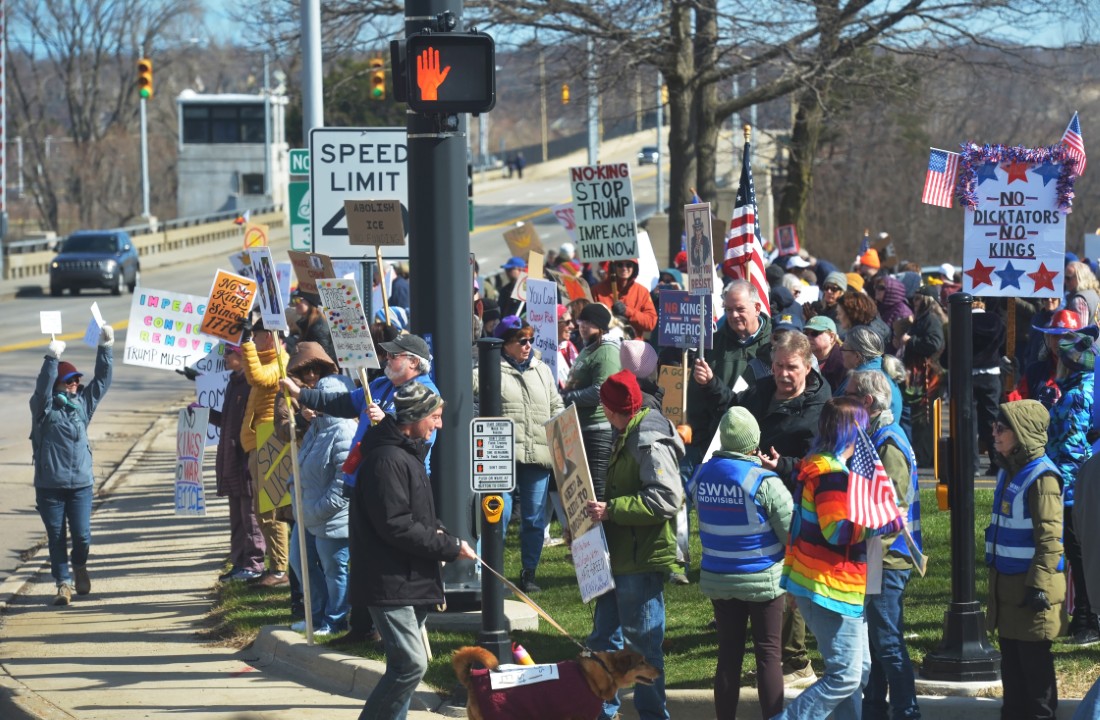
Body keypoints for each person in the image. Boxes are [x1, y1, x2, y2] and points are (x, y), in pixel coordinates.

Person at [774, 397, 904, 720]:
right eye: (864, 425)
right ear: (853, 431)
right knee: (845, 675)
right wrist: (883, 523)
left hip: (827, 584)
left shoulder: (821, 468)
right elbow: (837, 532)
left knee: (857, 670)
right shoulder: (831, 476)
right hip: (829, 587)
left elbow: (800, 528)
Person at [354, 382, 477, 720]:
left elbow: (416, 515)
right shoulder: (387, 460)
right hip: (389, 578)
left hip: (410, 576)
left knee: (404, 666)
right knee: (412, 663)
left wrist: (443, 534)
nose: (438, 425)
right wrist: (448, 546)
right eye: (435, 417)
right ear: (416, 417)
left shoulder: (406, 454)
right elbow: (395, 524)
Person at [584, 370, 684, 720]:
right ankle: (602, 710)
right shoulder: (627, 431)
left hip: (639, 562)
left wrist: (612, 510)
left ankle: (653, 715)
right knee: (602, 640)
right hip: (618, 556)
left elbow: (667, 498)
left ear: (612, 411)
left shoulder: (648, 439)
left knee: (642, 648)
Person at [735, 330, 829, 687]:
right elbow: (735, 408)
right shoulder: (762, 391)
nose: (782, 374)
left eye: (790, 368)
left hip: (797, 500)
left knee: (791, 579)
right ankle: (778, 660)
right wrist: (711, 385)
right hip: (760, 497)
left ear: (807, 366)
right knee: (774, 576)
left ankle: (796, 663)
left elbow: (819, 459)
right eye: (777, 366)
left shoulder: (820, 405)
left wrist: (784, 465)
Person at [688, 406, 792, 719]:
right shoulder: (763, 480)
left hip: (719, 577)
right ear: (753, 443)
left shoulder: (701, 475)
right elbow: (791, 531)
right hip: (764, 579)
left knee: (728, 656)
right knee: (769, 656)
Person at [844, 371, 922, 720]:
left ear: (867, 403)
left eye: (848, 396)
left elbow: (892, 508)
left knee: (888, 643)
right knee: (876, 643)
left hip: (888, 558)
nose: (842, 401)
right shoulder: (875, 435)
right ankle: (874, 708)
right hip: (877, 556)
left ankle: (906, 711)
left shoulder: (888, 443)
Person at [985, 400, 1065, 720]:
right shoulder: (1009, 471)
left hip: (1031, 594)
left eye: (1001, 428)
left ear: (1022, 434)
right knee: (1013, 678)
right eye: (994, 426)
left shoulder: (1042, 477)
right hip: (1008, 592)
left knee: (1036, 682)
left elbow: (1050, 540)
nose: (994, 432)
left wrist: (1038, 587)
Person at [475, 316, 564, 593]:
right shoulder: (488, 370)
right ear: (505, 344)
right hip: (502, 457)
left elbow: (556, 403)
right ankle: (489, 572)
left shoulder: (542, 370)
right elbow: (464, 388)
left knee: (535, 519)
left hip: (537, 456)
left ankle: (529, 573)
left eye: (530, 340)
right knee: (496, 515)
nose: (527, 346)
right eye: (521, 341)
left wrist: (561, 423)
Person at [30, 325, 114, 606]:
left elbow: (101, 381)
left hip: (80, 485)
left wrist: (106, 348)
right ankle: (63, 584)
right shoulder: (42, 408)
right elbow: (42, 390)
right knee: (56, 537)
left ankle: (79, 565)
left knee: (82, 536)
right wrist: (51, 359)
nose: (74, 384)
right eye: (68, 381)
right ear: (57, 382)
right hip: (49, 486)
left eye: (76, 380)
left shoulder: (82, 405)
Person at [287, 371, 356, 636]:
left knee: (333, 568)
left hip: (330, 517)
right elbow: (302, 462)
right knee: (300, 562)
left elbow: (342, 483)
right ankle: (314, 615)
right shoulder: (317, 426)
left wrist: (317, 510)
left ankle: (334, 619)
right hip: (307, 513)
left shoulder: (344, 431)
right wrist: (293, 486)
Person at [1046, 332, 1099, 645]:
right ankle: (1084, 616)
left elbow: (1072, 449)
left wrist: (1061, 489)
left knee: (1078, 556)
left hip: (1072, 488)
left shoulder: (1076, 396)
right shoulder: (1081, 390)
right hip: (1077, 485)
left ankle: (1088, 621)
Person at [687, 280, 773, 474]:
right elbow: (696, 398)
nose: (733, 315)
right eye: (728, 309)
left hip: (763, 451)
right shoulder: (711, 344)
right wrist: (702, 442)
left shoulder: (776, 342)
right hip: (717, 446)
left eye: (740, 309)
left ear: (757, 308)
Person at [241, 316, 292, 588]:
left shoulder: (280, 361)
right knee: (263, 510)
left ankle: (281, 568)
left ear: (268, 337)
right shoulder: (266, 358)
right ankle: (276, 565)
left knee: (271, 509)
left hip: (271, 440)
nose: (254, 340)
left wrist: (246, 344)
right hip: (259, 440)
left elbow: (259, 378)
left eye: (257, 336)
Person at [207, 344, 265, 583]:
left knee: (250, 516)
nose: (225, 357)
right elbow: (229, 421)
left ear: (241, 356)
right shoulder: (233, 382)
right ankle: (239, 562)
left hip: (244, 460)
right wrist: (207, 413)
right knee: (237, 519)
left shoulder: (250, 384)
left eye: (229, 353)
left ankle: (254, 564)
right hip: (231, 459)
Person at [562, 302, 621, 500]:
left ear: (601, 326)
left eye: (590, 322)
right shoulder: (588, 349)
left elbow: (600, 391)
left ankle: (603, 531)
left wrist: (567, 398)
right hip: (582, 427)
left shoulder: (606, 351)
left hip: (598, 429)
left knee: (597, 489)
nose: (583, 326)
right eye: (582, 321)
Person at [592, 259, 658, 338]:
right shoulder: (597, 290)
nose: (624, 268)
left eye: (628, 265)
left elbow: (650, 323)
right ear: (613, 267)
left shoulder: (642, 291)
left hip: (633, 346)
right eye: (620, 264)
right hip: (605, 344)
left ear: (634, 268)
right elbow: (589, 321)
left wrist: (627, 311)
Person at [290, 291, 337, 363]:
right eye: (294, 300)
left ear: (310, 302)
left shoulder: (317, 328)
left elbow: (322, 358)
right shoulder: (308, 324)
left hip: (319, 372)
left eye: (299, 300)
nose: (296, 303)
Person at [805, 315, 845, 391]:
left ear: (831, 337)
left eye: (814, 333)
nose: (808, 337)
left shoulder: (842, 363)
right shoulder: (803, 358)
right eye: (806, 333)